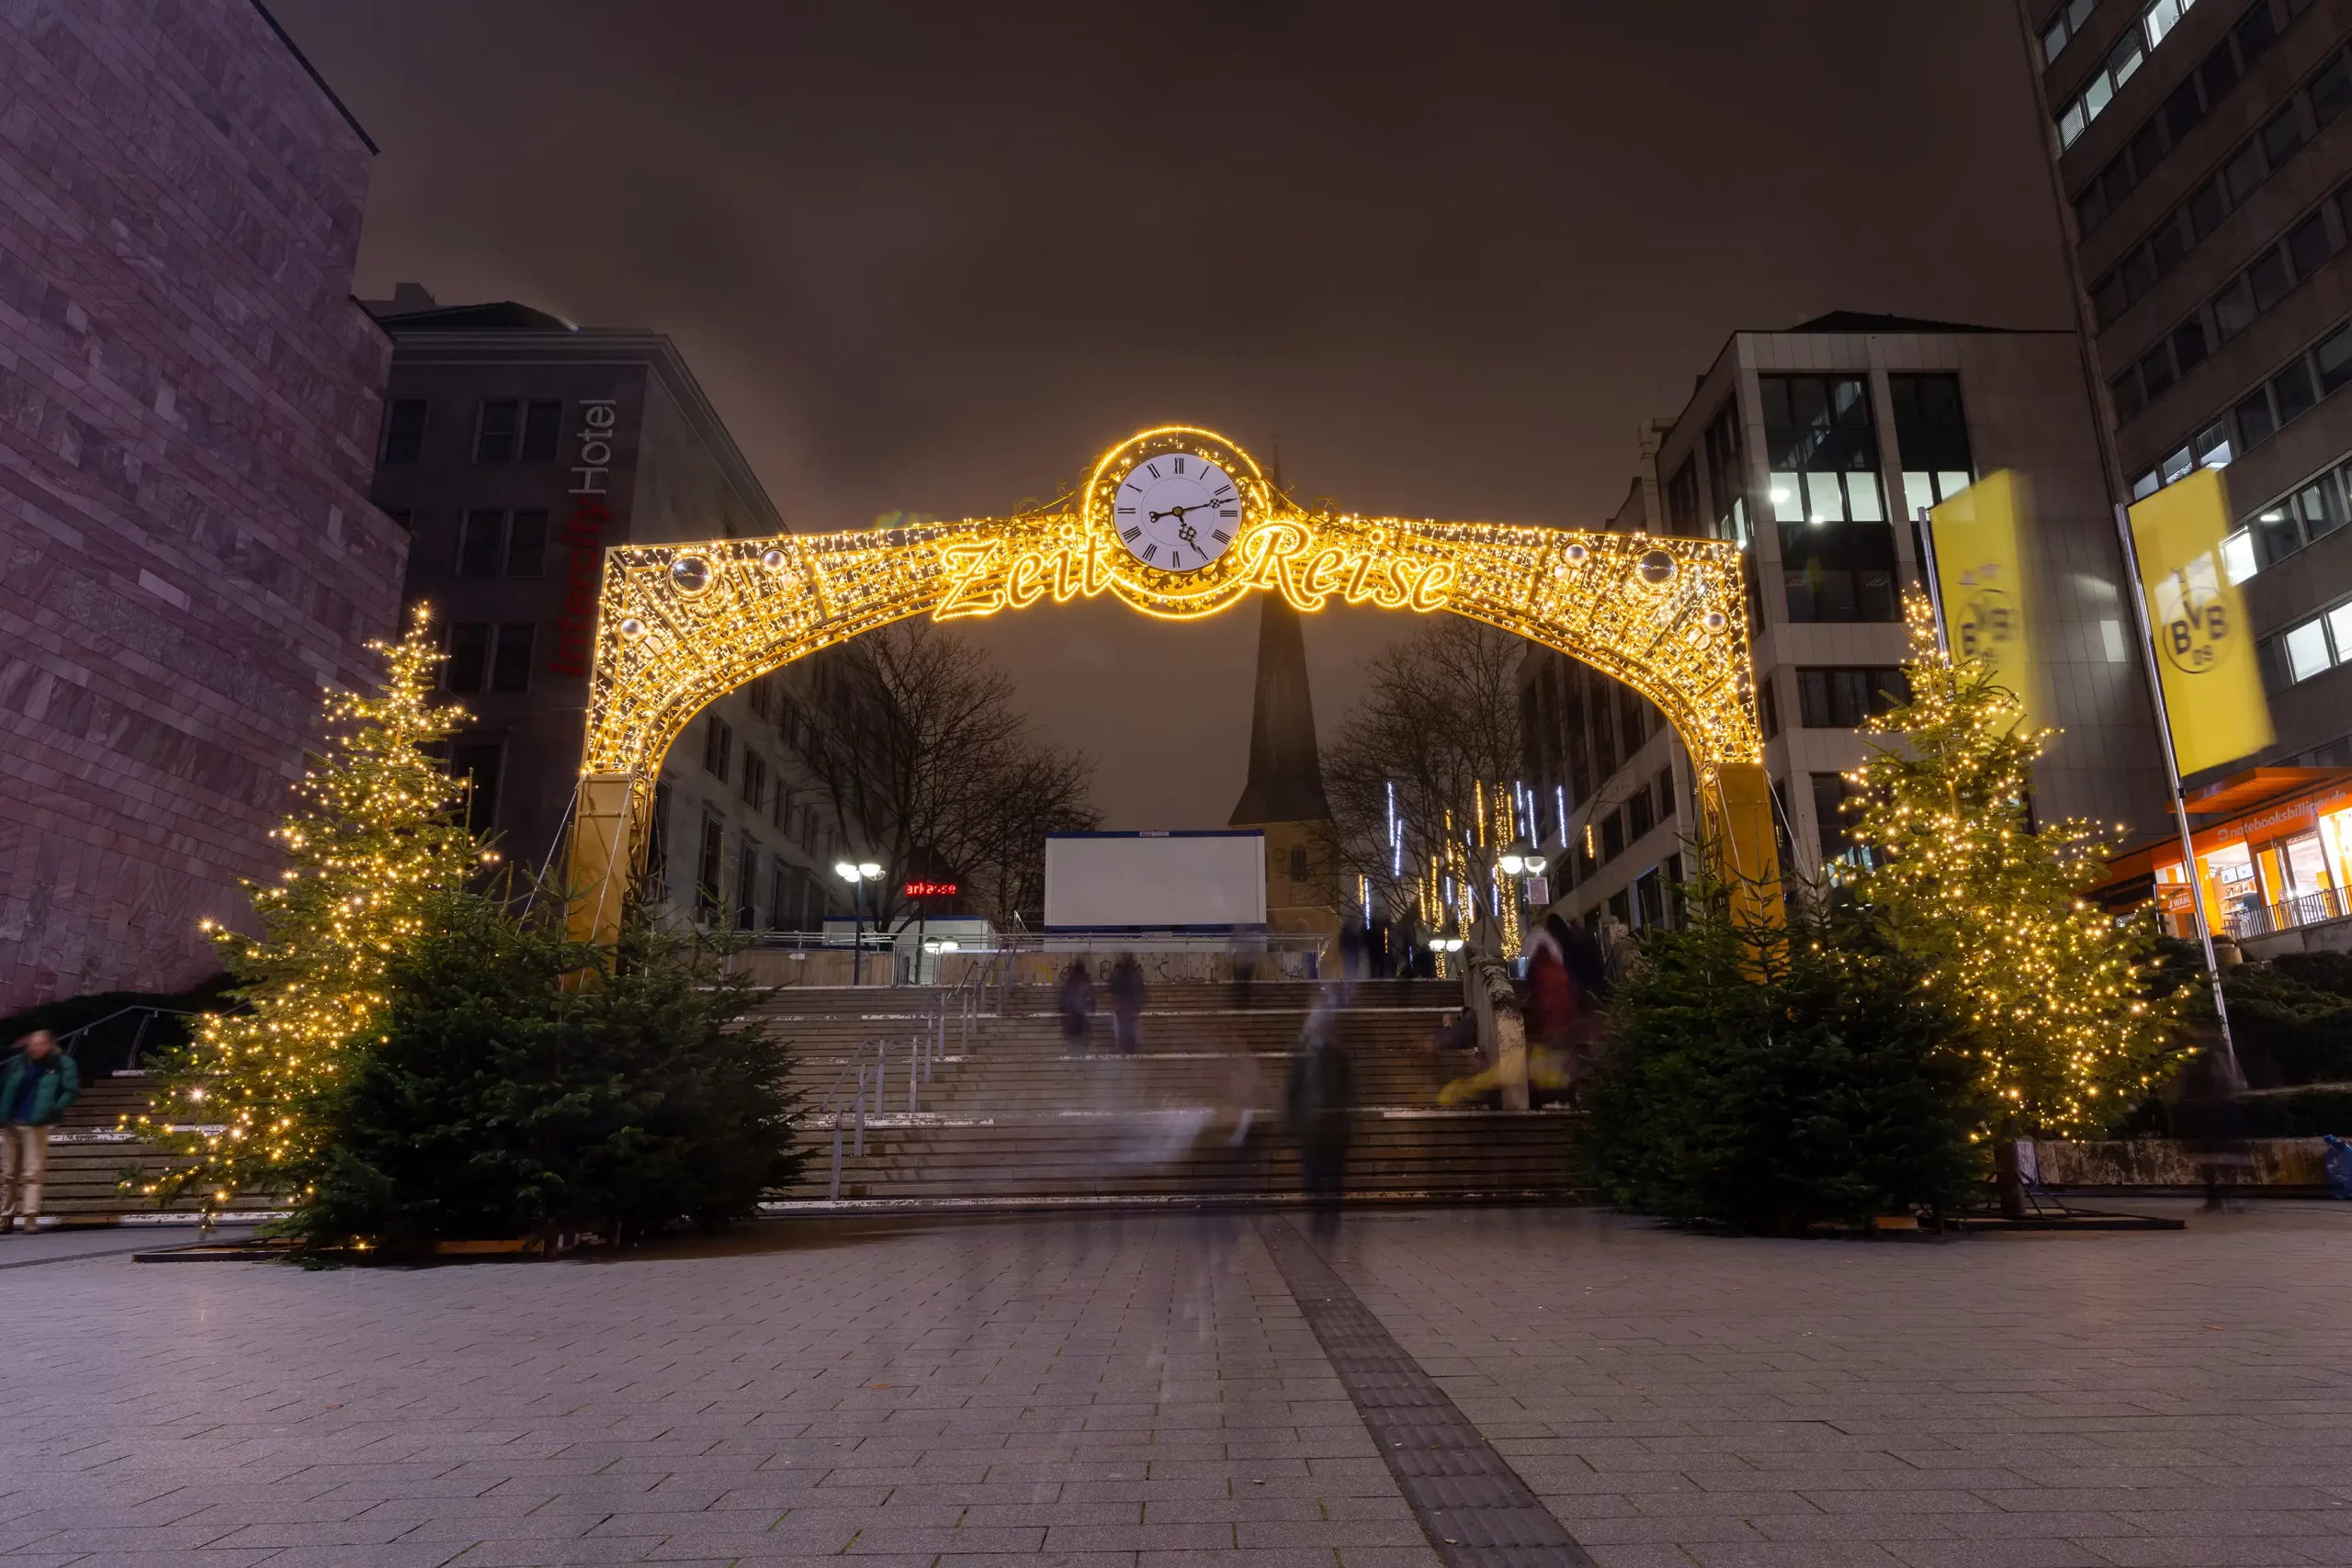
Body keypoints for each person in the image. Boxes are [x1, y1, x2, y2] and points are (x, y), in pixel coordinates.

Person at [1286, 992, 1354, 1236]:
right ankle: (1318, 1218)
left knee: (1333, 1177)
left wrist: (1346, 1120)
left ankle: (1331, 1220)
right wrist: (1293, 1120)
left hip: (1334, 1127)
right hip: (1311, 1127)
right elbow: (1293, 1088)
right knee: (1313, 1176)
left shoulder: (1337, 1053)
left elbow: (1348, 1089)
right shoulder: (1302, 1051)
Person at [1, 1031, 78, 1235]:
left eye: (39, 1044)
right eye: (31, 1044)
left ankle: (30, 1217)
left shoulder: (60, 1064)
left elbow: (70, 1090)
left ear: (48, 1045)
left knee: (32, 1173)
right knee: (7, 1174)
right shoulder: (18, 1062)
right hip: (11, 1123)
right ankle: (4, 1216)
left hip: (36, 1124)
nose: (33, 1048)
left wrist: (53, 1108)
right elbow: (6, 1086)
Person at [1057, 958, 1096, 1055]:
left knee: (1073, 1041)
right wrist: (1091, 1009)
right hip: (1082, 1018)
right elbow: (1091, 998)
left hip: (1071, 1018)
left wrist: (1063, 1013)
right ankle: (1080, 1060)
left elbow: (1064, 999)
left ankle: (1074, 1059)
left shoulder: (1070, 982)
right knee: (1081, 1041)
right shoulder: (1086, 981)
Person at [1108, 953, 1146, 1054]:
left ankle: (1124, 1049)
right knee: (1130, 1030)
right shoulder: (1134, 974)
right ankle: (1130, 1049)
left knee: (1123, 1030)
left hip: (1122, 1007)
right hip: (1129, 1008)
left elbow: (1112, 987)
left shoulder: (1120, 974)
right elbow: (1139, 990)